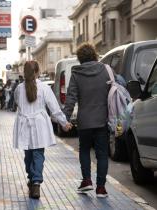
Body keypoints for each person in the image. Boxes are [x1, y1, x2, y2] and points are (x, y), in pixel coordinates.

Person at [13, 61, 72, 199]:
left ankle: (32, 178)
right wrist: (64, 122)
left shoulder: (18, 89)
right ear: (37, 72)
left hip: (24, 125)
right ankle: (36, 182)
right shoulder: (44, 88)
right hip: (39, 125)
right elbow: (54, 108)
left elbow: (17, 102)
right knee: (38, 154)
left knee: (28, 155)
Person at [63, 43, 110, 198]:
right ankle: (101, 188)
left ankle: (87, 181)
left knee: (84, 151)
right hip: (102, 120)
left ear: (80, 58)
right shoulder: (105, 70)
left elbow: (70, 98)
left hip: (84, 122)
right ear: (94, 55)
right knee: (102, 154)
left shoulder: (76, 74)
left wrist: (65, 119)